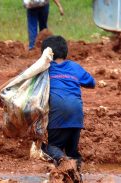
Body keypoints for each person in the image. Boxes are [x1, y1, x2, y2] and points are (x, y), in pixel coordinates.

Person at [41, 35, 96, 181]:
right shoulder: (74, 67)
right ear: (65, 52)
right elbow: (91, 82)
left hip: (57, 116)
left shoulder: (44, 69)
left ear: (46, 55)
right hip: (76, 117)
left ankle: (64, 162)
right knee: (73, 152)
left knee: (50, 147)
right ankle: (76, 175)